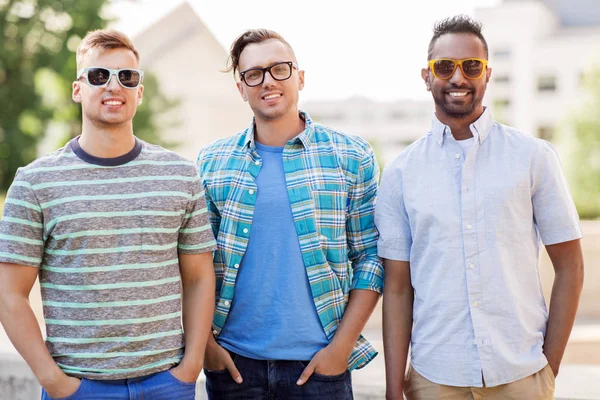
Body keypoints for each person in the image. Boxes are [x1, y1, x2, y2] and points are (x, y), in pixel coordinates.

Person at [0, 29, 216, 400]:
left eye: (126, 77)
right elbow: (9, 294)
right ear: (77, 89)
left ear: (140, 92)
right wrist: (54, 381)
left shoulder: (180, 175)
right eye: (99, 75)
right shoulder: (35, 182)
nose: (113, 86)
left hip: (167, 385)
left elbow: (198, 277)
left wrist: (190, 366)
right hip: (78, 388)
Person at [376, 15, 584, 400]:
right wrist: (393, 389)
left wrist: (547, 368)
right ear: (426, 76)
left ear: (487, 74)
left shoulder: (534, 156)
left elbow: (570, 265)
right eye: (445, 66)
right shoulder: (401, 173)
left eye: (472, 66)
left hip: (522, 373)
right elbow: (398, 287)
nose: (459, 78)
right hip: (433, 378)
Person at [197, 29, 384, 399]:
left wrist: (340, 350)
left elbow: (371, 257)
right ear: (241, 88)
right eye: (254, 74)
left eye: (279, 69)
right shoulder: (212, 162)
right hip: (234, 366)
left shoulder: (351, 156)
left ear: (300, 76)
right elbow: (195, 264)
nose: (268, 81)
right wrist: (207, 347)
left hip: (320, 367)